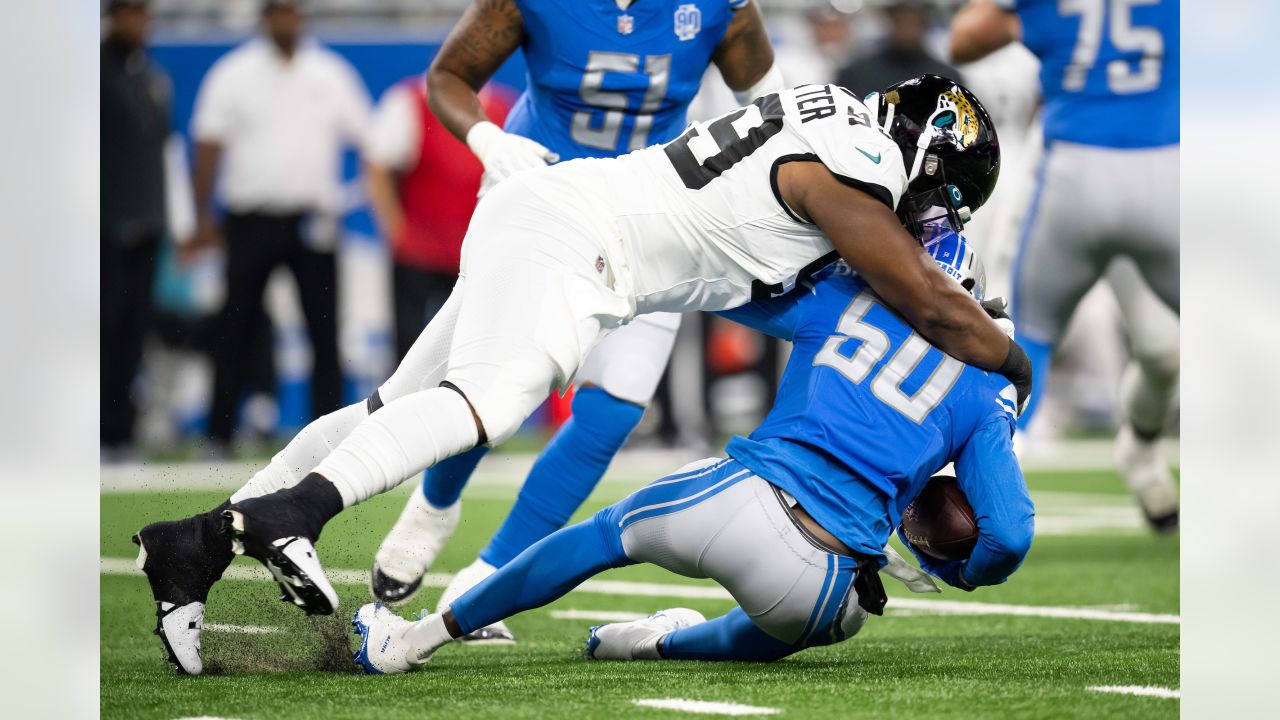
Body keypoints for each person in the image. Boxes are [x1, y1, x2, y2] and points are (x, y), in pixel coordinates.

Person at [133, 75, 1029, 676]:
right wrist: (1015, 366)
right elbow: (933, 303)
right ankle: (295, 514)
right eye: (937, 192)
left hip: (562, 213)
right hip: (584, 246)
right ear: (924, 147)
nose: (925, 215)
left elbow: (766, 287)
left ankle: (194, 546)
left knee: (388, 405)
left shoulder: (826, 114)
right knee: (488, 404)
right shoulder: (861, 166)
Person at [350, 231, 1034, 673]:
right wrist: (958, 571)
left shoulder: (843, 298)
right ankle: (657, 641)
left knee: (601, 537)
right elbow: (1006, 537)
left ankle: (413, 642)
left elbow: (716, 291)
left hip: (746, 503)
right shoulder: (984, 388)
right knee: (799, 627)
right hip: (827, 586)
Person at [368, 0, 787, 644]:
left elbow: (769, 109)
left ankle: (488, 574)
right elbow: (448, 78)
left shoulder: (718, 8)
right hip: (541, 198)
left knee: (613, 408)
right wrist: (492, 139)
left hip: (652, 213)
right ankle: (433, 507)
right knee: (493, 382)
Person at [949, 0, 1179, 530]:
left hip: (1155, 165)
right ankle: (975, 494)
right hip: (1052, 174)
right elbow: (968, 35)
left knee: (1164, 351)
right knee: (1010, 332)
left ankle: (1140, 454)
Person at [188, 0, 371, 453]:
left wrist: (347, 197)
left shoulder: (330, 74)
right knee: (235, 326)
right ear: (265, 18)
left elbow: (370, 140)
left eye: (292, 11)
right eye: (277, 12)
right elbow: (207, 145)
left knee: (324, 329)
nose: (286, 20)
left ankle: (326, 438)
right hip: (249, 220)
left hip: (313, 220)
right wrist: (202, 217)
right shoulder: (233, 74)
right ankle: (220, 433)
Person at [362, 77, 515, 363]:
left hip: (474, 257)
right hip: (418, 254)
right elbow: (378, 164)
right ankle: (404, 409)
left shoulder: (502, 108)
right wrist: (396, 229)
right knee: (408, 354)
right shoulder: (409, 102)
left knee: (472, 355)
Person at [101, 0, 171, 457]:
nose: (140, 23)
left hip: (145, 224)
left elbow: (164, 150)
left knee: (132, 329)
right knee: (101, 330)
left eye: (144, 14)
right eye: (131, 13)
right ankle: (98, 431)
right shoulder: (92, 75)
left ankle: (121, 432)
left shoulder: (147, 75)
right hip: (104, 225)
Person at [836, 1, 958, 97]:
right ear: (890, 19)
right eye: (901, 18)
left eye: (913, 19)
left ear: (925, 22)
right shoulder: (854, 75)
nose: (907, 26)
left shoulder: (947, 78)